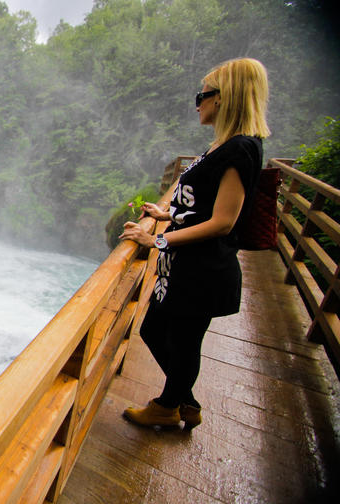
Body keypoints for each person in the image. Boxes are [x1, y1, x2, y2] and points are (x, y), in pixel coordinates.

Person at [118, 57, 271, 428]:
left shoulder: (239, 149)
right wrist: (168, 214)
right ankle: (182, 402)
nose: (197, 102)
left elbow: (223, 222)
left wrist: (156, 240)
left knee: (182, 341)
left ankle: (168, 407)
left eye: (201, 94)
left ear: (224, 97)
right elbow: (204, 205)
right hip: (187, 268)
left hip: (204, 271)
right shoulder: (223, 146)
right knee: (157, 330)